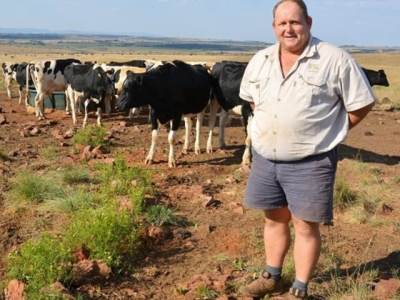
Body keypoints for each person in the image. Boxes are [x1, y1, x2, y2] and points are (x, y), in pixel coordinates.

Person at [238, 0, 376, 299]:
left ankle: (299, 288)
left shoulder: (334, 59)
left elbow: (362, 103)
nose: (289, 28)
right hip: (266, 158)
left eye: (295, 22)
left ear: (309, 22)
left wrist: (332, 132)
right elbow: (252, 100)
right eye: (282, 23)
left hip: (311, 161)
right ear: (274, 27)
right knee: (274, 219)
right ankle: (271, 277)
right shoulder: (260, 60)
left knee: (305, 225)